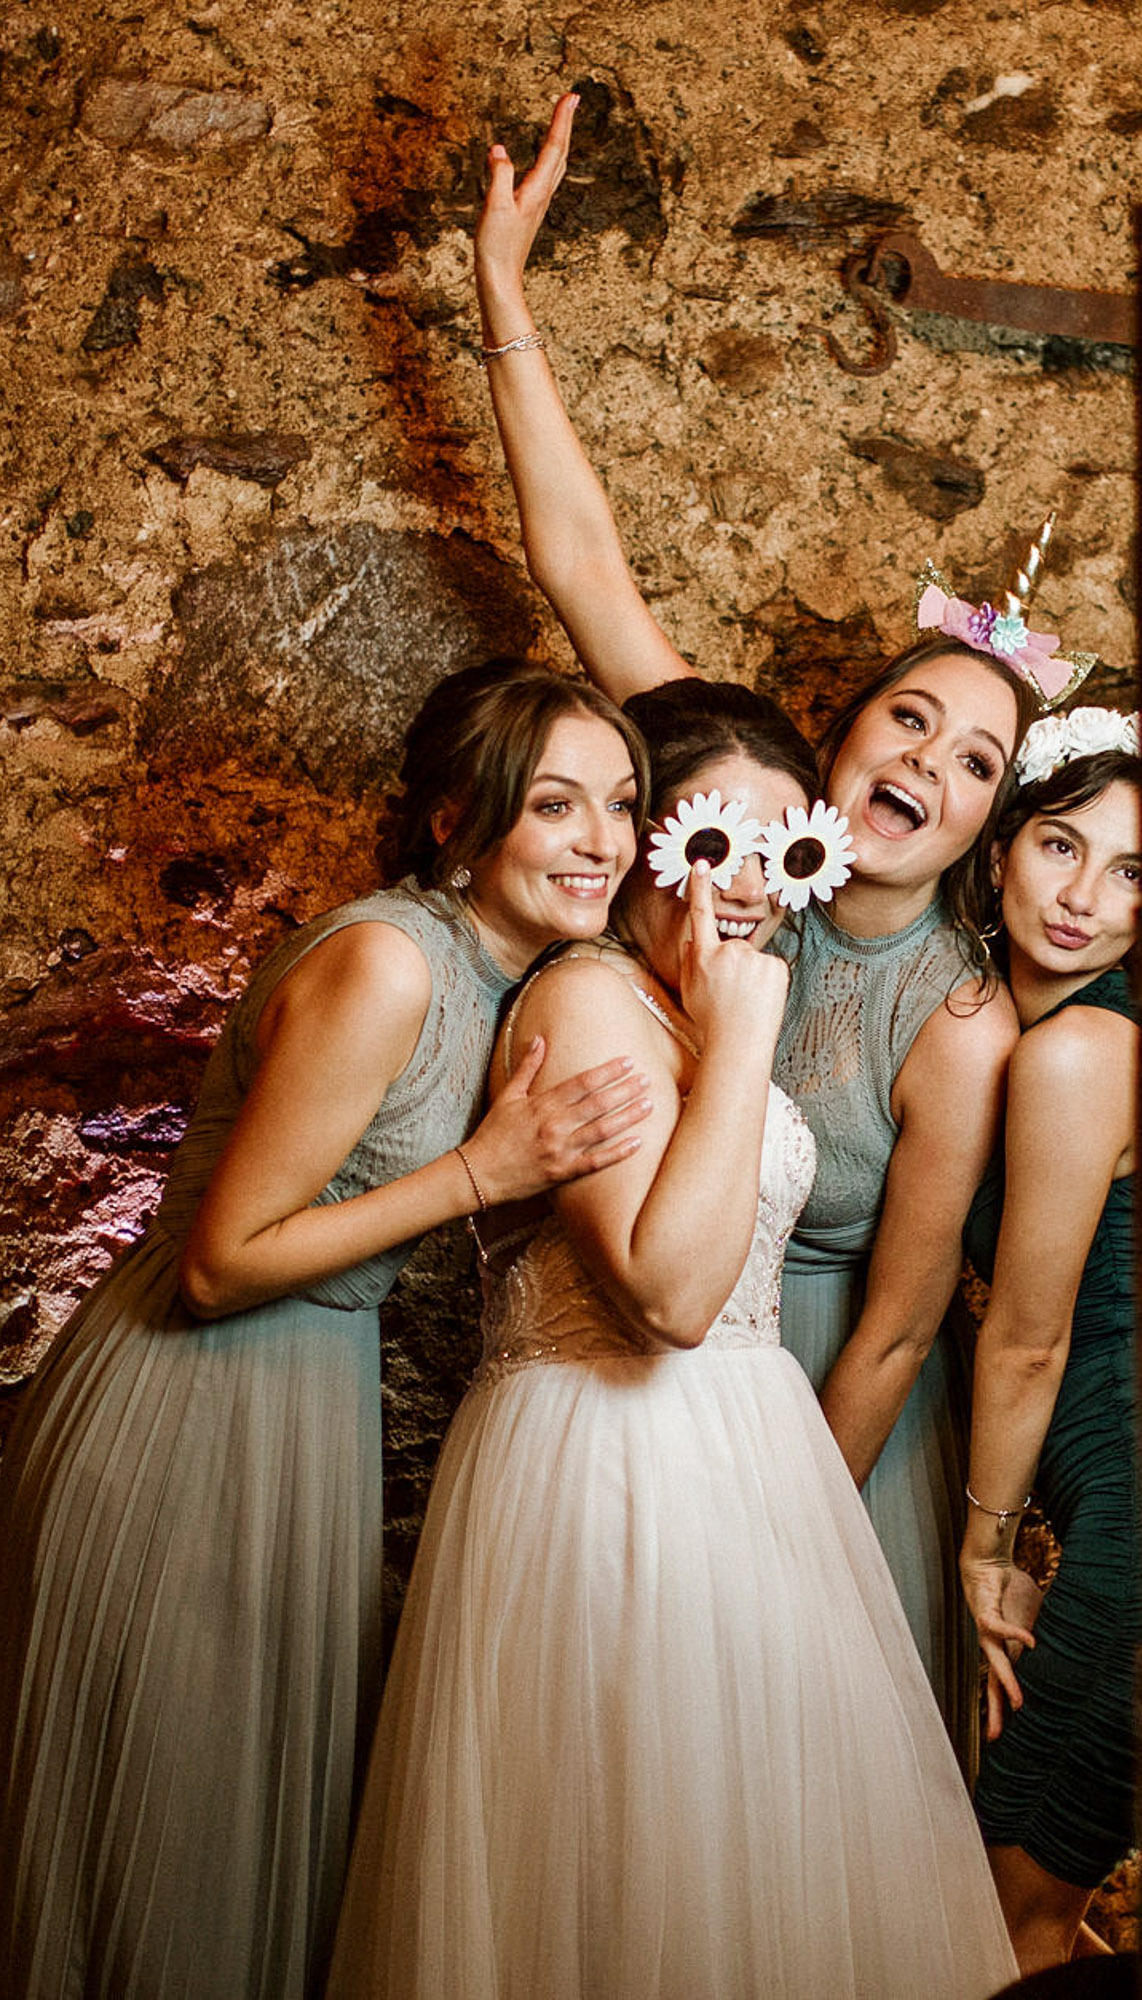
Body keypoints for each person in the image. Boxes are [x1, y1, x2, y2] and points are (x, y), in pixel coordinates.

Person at [473, 93, 1085, 1764]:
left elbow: (896, 1320)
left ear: (982, 820)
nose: (929, 764)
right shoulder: (715, 838)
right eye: (909, 719)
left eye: (977, 761)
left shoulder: (964, 1024)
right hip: (629, 1384)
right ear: (843, 735)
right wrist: (506, 309)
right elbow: (582, 565)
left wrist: (782, 1526)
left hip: (826, 1431)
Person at [327, 679, 1019, 1999]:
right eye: (711, 841)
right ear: (651, 840)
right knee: (627, 1860)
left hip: (751, 1463)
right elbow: (670, 1298)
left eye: (773, 845)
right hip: (608, 1458)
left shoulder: (682, 1001)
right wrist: (749, 1033)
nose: (745, 879)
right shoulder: (589, 1001)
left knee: (759, 1857)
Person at [0, 658, 655, 2000]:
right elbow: (220, 1265)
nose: (600, 841)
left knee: (228, 1852)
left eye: (623, 805)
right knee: (157, 1852)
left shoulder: (516, 976)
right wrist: (485, 1171)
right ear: (457, 819)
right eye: (555, 804)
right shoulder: (389, 966)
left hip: (300, 1408)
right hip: (190, 1409)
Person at [957, 709, 1142, 1974]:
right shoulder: (1039, 1027)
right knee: (1038, 1919)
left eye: (1133, 871)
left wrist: (983, 1548)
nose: (1082, 897)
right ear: (1001, 844)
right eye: (1060, 845)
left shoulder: (1083, 1049)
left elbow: (1027, 1341)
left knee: (998, 1919)